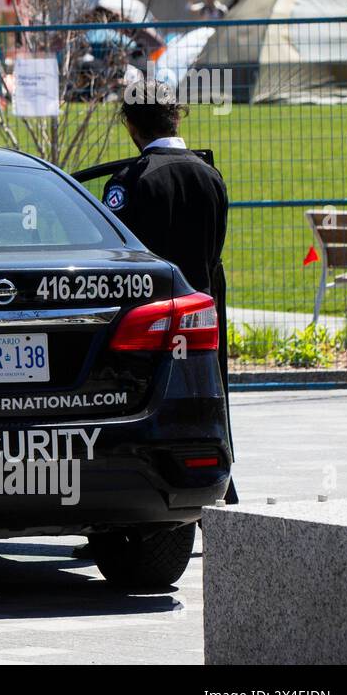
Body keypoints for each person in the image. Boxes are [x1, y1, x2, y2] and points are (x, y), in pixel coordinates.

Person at [102, 78, 237, 504]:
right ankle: (220, 486)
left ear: (129, 126)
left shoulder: (131, 181)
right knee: (209, 400)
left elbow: (117, 256)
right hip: (204, 308)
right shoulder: (210, 175)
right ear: (177, 116)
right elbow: (214, 250)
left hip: (150, 320)